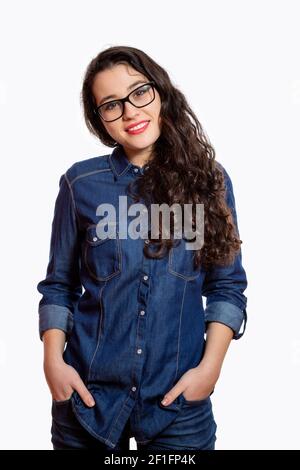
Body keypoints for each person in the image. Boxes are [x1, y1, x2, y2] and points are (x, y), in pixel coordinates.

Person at [37, 45, 248, 451]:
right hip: (87, 403)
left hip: (178, 407)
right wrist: (53, 365)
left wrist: (210, 369)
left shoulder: (210, 181)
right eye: (111, 105)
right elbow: (59, 285)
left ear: (161, 93)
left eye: (139, 93)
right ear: (100, 120)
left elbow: (227, 286)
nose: (130, 111)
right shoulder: (80, 184)